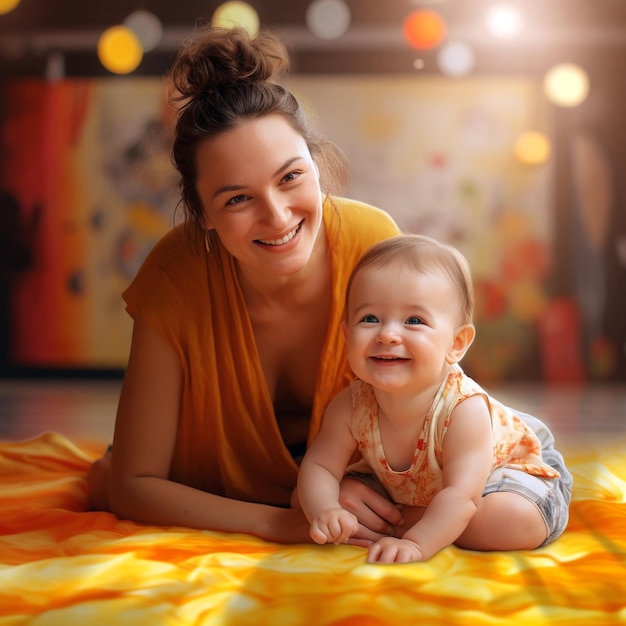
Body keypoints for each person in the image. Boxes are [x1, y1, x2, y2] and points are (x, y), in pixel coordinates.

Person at [86, 25, 403, 544]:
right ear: (203, 214)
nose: (277, 217)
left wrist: (345, 484)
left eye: (291, 177)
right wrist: (279, 520)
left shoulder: (374, 245)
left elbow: (442, 415)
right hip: (212, 485)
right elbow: (133, 483)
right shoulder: (176, 274)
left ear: (318, 167)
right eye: (237, 199)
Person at [296, 234, 573, 563]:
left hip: (503, 470)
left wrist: (417, 542)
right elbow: (319, 465)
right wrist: (325, 510)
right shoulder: (350, 405)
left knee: (514, 520)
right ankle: (417, 515)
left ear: (456, 343)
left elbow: (463, 495)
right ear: (347, 335)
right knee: (309, 496)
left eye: (414, 321)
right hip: (421, 486)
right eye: (369, 319)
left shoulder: (462, 410)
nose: (387, 334)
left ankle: (409, 520)